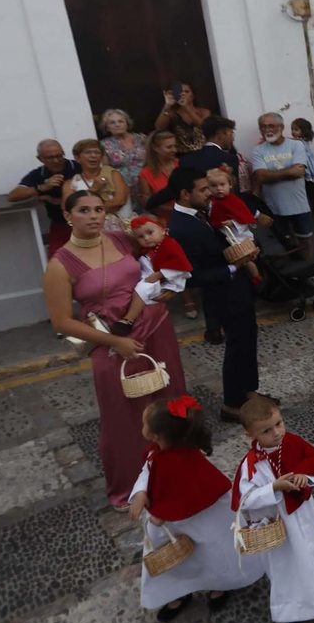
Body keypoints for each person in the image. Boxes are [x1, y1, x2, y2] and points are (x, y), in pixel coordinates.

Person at [46, 190, 186, 503]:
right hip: (112, 342)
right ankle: (131, 490)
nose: (94, 215)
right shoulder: (60, 263)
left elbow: (164, 254)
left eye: (98, 209)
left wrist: (173, 287)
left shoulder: (123, 239)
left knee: (169, 400)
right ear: (68, 216)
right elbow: (62, 322)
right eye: (84, 210)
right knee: (124, 418)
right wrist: (116, 342)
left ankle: (177, 472)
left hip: (156, 327)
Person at [127, 395, 263, 621]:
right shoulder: (162, 451)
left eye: (144, 424)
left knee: (214, 553)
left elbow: (183, 493)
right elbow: (149, 471)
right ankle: (178, 592)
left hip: (200, 515)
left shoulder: (178, 460)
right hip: (179, 517)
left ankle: (221, 583)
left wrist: (161, 514)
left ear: (156, 435)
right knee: (177, 558)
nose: (142, 428)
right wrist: (141, 492)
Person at [166, 168, 261, 422]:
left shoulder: (200, 215)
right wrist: (233, 267)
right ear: (186, 194)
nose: (210, 193)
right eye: (203, 189)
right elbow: (190, 277)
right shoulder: (181, 227)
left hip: (237, 287)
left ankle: (249, 392)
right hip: (223, 293)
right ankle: (232, 403)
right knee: (236, 346)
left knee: (247, 339)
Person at [232, 396, 314, 623]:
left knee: (312, 551)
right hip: (279, 523)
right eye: (267, 430)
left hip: (303, 514)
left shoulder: (292, 443)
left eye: (279, 424)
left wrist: (303, 476)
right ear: (250, 435)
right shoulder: (251, 464)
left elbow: (313, 460)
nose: (277, 433)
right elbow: (244, 499)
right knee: (287, 566)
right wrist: (273, 488)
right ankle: (291, 611)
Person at [252, 113, 314, 263]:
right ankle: (295, 277)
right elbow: (262, 177)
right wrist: (288, 171)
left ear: (281, 127)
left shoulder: (296, 145)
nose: (267, 130)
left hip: (299, 204)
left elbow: (299, 172)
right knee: (284, 244)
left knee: (306, 241)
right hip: (274, 208)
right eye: (263, 127)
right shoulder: (258, 150)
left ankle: (311, 275)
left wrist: (272, 175)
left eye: (271, 126)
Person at [119, 216, 192, 334]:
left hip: (169, 280)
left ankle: (128, 319)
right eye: (141, 237)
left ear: (162, 230)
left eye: (150, 233)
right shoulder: (150, 249)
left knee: (142, 289)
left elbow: (182, 265)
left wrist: (160, 274)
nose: (146, 238)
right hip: (157, 278)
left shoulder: (169, 244)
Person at [9, 140, 80, 256]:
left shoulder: (77, 167)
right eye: (50, 158)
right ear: (40, 158)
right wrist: (42, 187)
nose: (56, 161)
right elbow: (13, 196)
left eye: (59, 156)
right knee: (57, 259)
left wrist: (57, 201)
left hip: (86, 222)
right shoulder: (39, 174)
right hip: (60, 224)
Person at [62, 138, 131, 230]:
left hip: (119, 227)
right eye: (88, 152)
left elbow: (120, 201)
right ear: (77, 157)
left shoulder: (113, 174)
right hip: (90, 231)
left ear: (102, 157)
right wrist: (94, 189)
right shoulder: (70, 184)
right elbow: (68, 209)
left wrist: (85, 210)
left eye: (97, 152)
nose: (93, 156)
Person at [97, 109, 147, 213]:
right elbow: (107, 170)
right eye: (112, 122)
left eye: (120, 121)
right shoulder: (104, 145)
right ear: (107, 127)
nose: (117, 125)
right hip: (124, 188)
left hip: (146, 185)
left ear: (127, 123)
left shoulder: (141, 138)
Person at [154, 82, 212, 152]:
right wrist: (167, 105)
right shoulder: (173, 113)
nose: (183, 95)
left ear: (193, 95)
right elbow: (159, 127)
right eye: (180, 92)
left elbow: (205, 128)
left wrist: (187, 107)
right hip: (180, 154)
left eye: (186, 92)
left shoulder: (203, 112)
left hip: (203, 152)